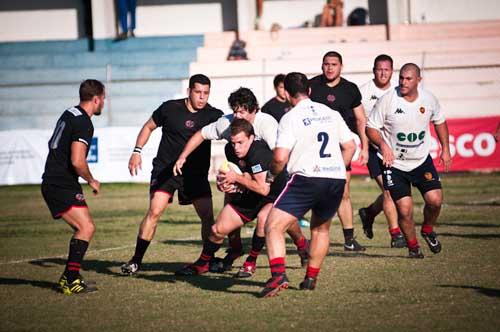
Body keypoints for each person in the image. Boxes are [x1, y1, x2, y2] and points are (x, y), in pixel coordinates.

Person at [173, 87, 310, 270]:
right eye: (235, 110)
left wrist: (244, 178)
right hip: (247, 181)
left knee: (273, 219)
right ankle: (229, 252)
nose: (237, 115)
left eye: (242, 111)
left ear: (254, 110)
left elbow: (279, 158)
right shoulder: (228, 127)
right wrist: (183, 157)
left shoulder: (266, 125)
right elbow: (201, 134)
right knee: (221, 223)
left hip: (272, 181)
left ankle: (293, 248)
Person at [260, 72, 356, 297]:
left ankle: (278, 276)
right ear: (309, 90)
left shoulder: (290, 117)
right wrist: (335, 169)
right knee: (320, 229)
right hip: (335, 179)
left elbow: (280, 157)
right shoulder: (330, 113)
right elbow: (350, 146)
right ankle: (311, 278)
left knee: (273, 225)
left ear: (287, 93)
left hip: (307, 179)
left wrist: (272, 176)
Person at [120, 74, 223, 275]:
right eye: (198, 92)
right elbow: (149, 126)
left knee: (207, 217)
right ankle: (136, 261)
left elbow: (234, 131)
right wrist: (137, 151)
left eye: (206, 93)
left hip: (195, 174)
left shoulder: (213, 115)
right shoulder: (169, 108)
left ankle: (206, 260)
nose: (202, 97)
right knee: (155, 212)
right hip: (166, 170)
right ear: (189, 92)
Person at [175, 119, 287, 277]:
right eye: (234, 143)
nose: (236, 148)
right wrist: (227, 184)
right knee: (217, 230)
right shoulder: (230, 149)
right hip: (252, 193)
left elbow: (263, 188)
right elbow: (243, 175)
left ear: (251, 138)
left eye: (240, 143)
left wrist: (235, 178)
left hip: (273, 195)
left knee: (263, 219)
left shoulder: (259, 152)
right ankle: (203, 263)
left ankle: (251, 261)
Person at [366, 63, 452, 258]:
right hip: (393, 164)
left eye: (408, 79)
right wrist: (383, 145)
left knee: (435, 200)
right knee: (405, 211)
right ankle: (413, 248)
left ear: (418, 81)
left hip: (421, 161)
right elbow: (370, 128)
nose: (403, 82)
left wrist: (445, 148)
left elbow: (439, 121)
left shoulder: (428, 99)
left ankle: (428, 230)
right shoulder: (388, 100)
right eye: (401, 78)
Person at [41, 79, 105, 295]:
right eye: (103, 99)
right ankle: (69, 279)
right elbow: (78, 161)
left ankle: (71, 277)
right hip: (60, 183)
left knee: (85, 227)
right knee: (85, 228)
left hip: (59, 181)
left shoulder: (70, 112)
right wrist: (92, 180)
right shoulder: (85, 123)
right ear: (96, 99)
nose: (104, 103)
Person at [309, 51, 368, 251]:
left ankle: (349, 240)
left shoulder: (350, 89)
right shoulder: (311, 87)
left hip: (342, 149)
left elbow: (361, 119)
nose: (330, 67)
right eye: (326, 64)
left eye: (334, 64)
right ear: (322, 65)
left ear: (341, 66)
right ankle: (311, 240)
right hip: (315, 149)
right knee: (314, 193)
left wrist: (365, 146)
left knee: (343, 192)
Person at [357, 54, 405, 248]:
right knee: (389, 190)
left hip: (396, 151)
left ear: (392, 71)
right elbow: (358, 122)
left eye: (386, 69)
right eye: (379, 69)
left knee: (393, 190)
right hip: (375, 149)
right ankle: (395, 235)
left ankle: (368, 213)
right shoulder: (363, 92)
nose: (383, 73)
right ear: (373, 70)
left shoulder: (399, 92)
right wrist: (365, 146)